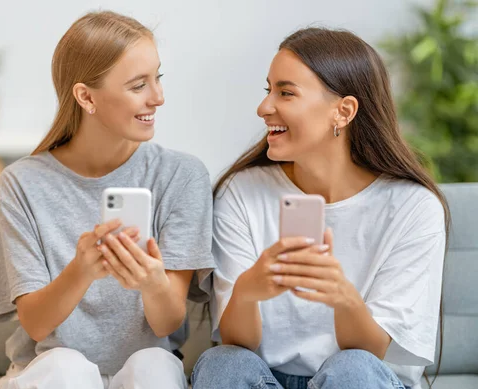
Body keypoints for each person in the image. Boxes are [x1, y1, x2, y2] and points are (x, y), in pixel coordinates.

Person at [192, 27, 449, 389]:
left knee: (352, 369)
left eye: (286, 92)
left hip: (365, 375)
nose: (264, 108)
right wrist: (248, 290)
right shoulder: (241, 192)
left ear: (343, 112)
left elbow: (372, 352)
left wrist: (343, 297)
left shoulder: (413, 207)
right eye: (269, 90)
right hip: (266, 377)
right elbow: (238, 344)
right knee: (223, 364)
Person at [0, 10, 215, 389]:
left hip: (148, 370)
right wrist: (82, 270)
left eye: (157, 78)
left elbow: (167, 323)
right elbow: (37, 324)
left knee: (153, 367)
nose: (158, 97)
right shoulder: (22, 184)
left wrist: (153, 283)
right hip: (49, 371)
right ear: (86, 97)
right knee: (66, 369)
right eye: (138, 85)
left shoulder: (182, 175)